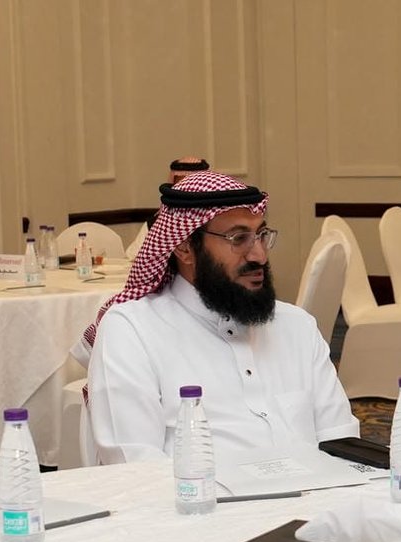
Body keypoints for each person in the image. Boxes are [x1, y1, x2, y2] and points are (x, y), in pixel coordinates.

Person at [85, 172, 358, 464]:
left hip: (316, 493)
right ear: (185, 248)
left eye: (261, 235)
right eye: (239, 238)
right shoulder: (133, 332)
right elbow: (136, 469)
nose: (259, 256)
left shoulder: (297, 326)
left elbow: (343, 445)